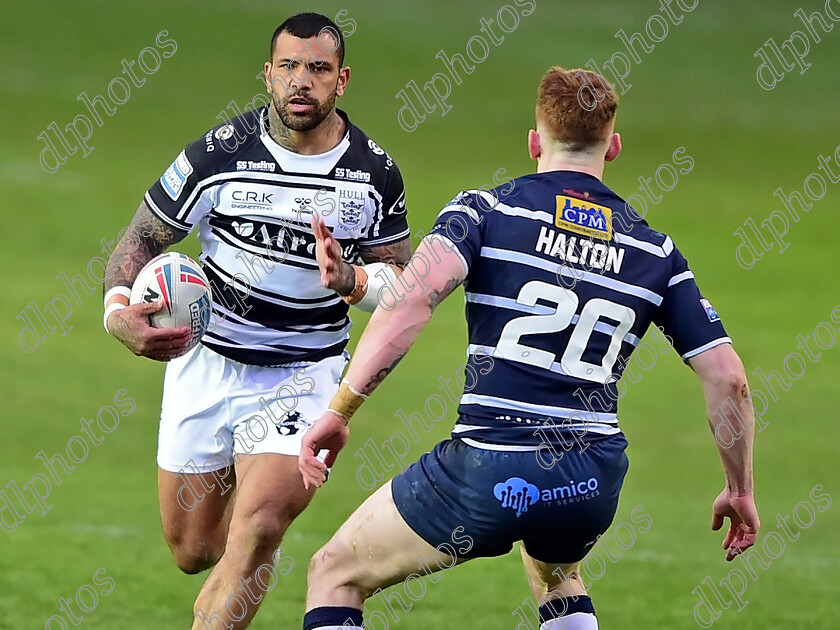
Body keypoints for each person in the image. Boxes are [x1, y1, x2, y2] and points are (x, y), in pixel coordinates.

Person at [298, 66, 760, 630]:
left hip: (490, 464)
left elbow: (412, 302)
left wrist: (341, 410)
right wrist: (740, 489)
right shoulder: (656, 251)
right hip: (589, 478)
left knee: (334, 573)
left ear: (535, 141)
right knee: (555, 570)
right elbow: (728, 377)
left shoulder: (488, 212)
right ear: (612, 147)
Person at [102, 13, 411, 629]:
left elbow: (405, 287)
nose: (303, 81)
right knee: (195, 550)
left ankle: (245, 562)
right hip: (206, 362)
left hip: (304, 372)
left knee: (261, 526)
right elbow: (140, 239)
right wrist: (118, 313)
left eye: (318, 69)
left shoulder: (373, 175)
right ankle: (238, 563)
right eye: (290, 67)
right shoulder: (216, 156)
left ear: (341, 79)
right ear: (268, 75)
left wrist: (350, 280)